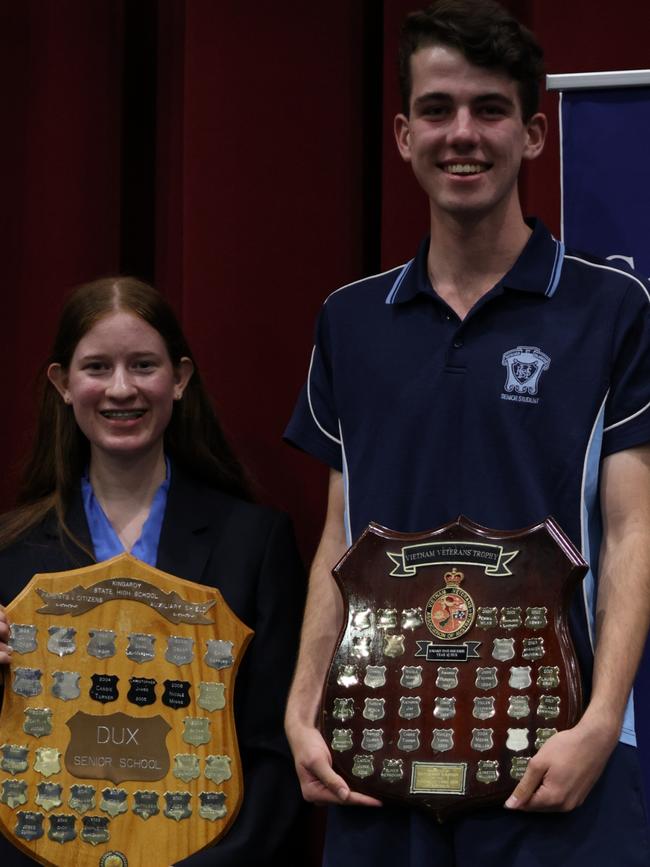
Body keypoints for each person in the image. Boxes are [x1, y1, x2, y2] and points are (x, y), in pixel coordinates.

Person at [283, 1, 650, 865]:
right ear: (404, 133)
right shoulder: (350, 320)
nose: (464, 134)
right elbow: (341, 535)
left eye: (490, 110)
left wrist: (601, 726)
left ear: (533, 135)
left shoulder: (612, 309)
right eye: (439, 110)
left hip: (558, 760)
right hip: (379, 755)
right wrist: (303, 709)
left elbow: (634, 529)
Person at [0, 276, 306, 866]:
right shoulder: (10, 554)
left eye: (143, 364)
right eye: (96, 368)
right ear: (63, 384)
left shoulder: (254, 542)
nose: (121, 389)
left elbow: (276, 749)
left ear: (180, 379)